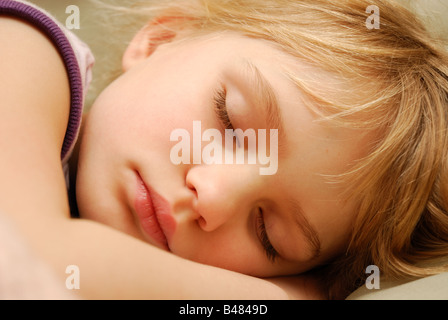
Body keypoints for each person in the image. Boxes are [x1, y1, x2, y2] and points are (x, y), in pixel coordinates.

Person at [0, 0, 447, 300]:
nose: (212, 196)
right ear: (161, 41)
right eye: (230, 123)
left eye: (268, 233)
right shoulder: (26, 49)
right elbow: (27, 258)